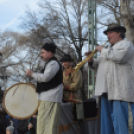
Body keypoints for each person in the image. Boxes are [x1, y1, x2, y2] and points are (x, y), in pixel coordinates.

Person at [86, 23, 134, 134]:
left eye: (110, 33)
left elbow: (120, 57)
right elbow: (99, 66)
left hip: (120, 93)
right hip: (105, 92)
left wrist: (102, 50)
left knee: (122, 125)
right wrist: (91, 60)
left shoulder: (126, 44)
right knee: (107, 126)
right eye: (107, 34)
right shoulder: (107, 50)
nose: (108, 36)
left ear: (119, 33)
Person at [26, 42, 63, 134]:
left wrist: (32, 74)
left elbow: (46, 78)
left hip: (50, 99)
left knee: (47, 126)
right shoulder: (50, 64)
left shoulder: (53, 63)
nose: (41, 55)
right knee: (43, 125)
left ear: (50, 53)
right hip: (47, 99)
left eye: (43, 52)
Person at [60, 54, 84, 120]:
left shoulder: (77, 71)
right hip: (65, 101)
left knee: (78, 119)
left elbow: (77, 85)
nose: (64, 63)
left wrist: (65, 87)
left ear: (70, 62)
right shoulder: (62, 73)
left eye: (66, 61)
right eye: (63, 62)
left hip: (76, 100)